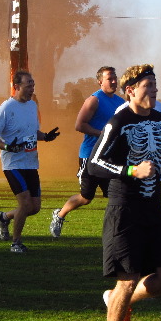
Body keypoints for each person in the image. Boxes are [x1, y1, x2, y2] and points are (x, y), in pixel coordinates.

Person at [86, 64, 161, 321]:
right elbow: (94, 163)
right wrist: (132, 169)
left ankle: (122, 303)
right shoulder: (119, 122)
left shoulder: (160, 117)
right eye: (147, 86)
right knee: (126, 279)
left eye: (154, 85)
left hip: (154, 210)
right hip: (125, 210)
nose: (153, 90)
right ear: (131, 91)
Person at [0, 70, 60, 253]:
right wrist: (7, 147)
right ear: (16, 87)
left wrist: (46, 136)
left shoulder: (32, 106)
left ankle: (3, 217)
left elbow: (32, 133)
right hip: (13, 163)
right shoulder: (6, 108)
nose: (32, 89)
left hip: (31, 162)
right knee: (25, 204)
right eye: (28, 85)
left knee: (34, 207)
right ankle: (16, 243)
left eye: (33, 85)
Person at [49, 66, 124, 238]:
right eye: (109, 78)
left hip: (110, 156)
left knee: (116, 194)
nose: (113, 81)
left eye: (114, 78)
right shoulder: (94, 100)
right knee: (86, 197)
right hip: (90, 155)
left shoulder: (121, 103)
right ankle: (59, 215)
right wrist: (103, 135)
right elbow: (79, 125)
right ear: (100, 82)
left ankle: (118, 231)